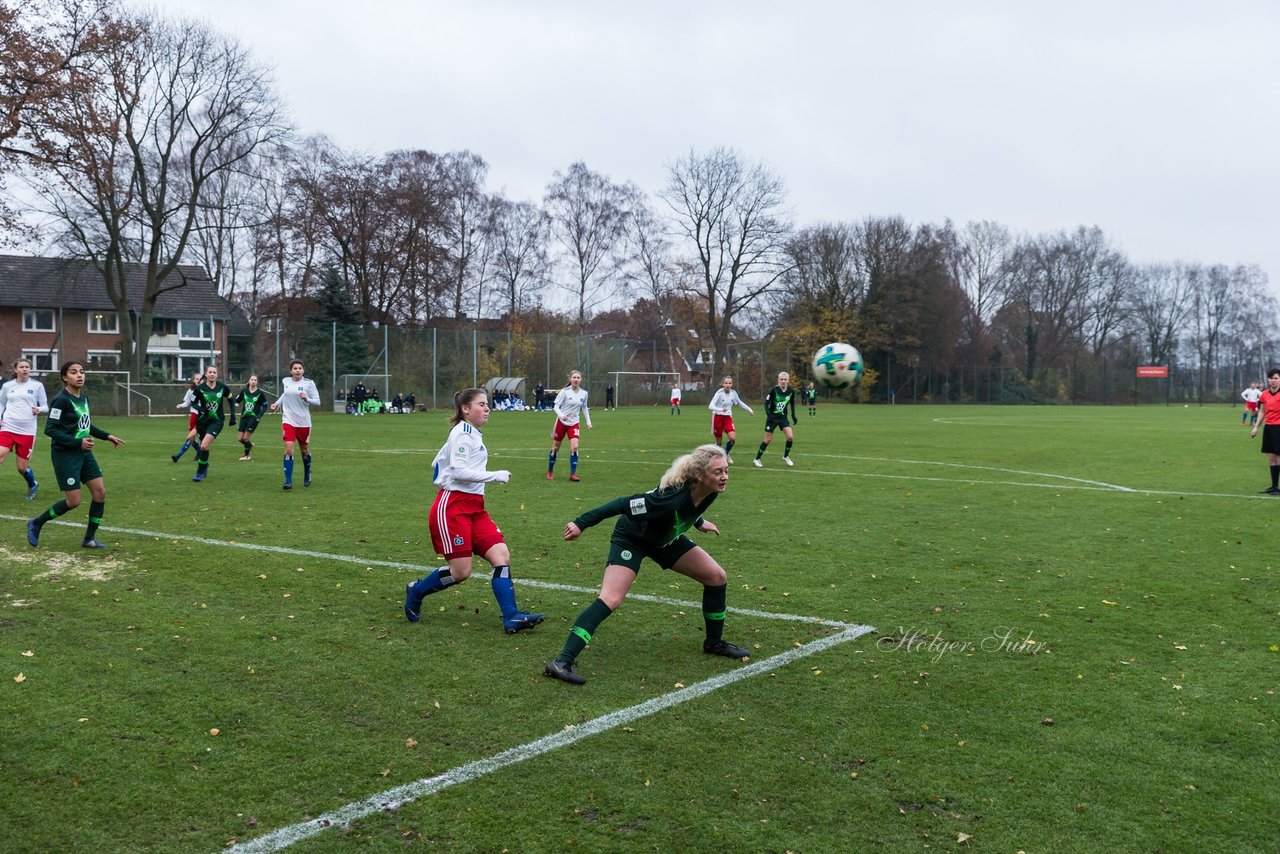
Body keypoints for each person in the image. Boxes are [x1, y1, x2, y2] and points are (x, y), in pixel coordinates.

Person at [543, 444, 749, 685]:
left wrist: (698, 521)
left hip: (666, 539)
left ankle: (714, 643)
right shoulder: (666, 500)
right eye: (717, 472)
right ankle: (561, 662)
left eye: (726, 471)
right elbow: (621, 504)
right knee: (611, 598)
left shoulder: (710, 490)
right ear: (699, 475)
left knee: (716, 576)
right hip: (632, 539)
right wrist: (580, 523)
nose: (724, 477)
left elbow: (689, 507)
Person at [404, 388, 544, 633]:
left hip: (475, 508)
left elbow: (440, 464)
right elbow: (457, 471)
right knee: (461, 572)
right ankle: (416, 591)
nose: (487, 408)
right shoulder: (461, 432)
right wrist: (495, 476)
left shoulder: (473, 434)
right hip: (453, 508)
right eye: (481, 404)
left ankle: (511, 616)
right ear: (465, 409)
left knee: (501, 556)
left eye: (487, 404)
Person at [26, 359, 123, 549]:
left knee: (100, 492)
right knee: (73, 501)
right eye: (73, 372)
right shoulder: (61, 400)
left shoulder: (83, 398)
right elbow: (50, 430)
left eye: (82, 371)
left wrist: (107, 436)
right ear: (64, 377)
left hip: (84, 453)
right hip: (65, 455)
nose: (79, 375)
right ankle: (36, 522)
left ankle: (89, 539)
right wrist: (78, 442)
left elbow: (85, 425)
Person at [0, 358, 49, 500]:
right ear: (16, 370)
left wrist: (39, 409)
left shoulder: (37, 385)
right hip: (8, 427)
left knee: (21, 468)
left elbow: (46, 406)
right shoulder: (7, 386)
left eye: (27, 367)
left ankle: (32, 484)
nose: (25, 369)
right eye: (21, 367)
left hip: (27, 431)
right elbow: (1, 403)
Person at [269, 359, 321, 490]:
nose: (297, 370)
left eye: (300, 368)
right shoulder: (286, 381)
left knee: (304, 450)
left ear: (303, 370)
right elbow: (285, 394)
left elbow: (318, 401)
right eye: (295, 368)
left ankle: (307, 472)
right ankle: (288, 481)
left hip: (303, 422)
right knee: (288, 448)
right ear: (290, 371)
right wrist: (277, 403)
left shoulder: (309, 384)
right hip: (288, 420)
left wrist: (307, 398)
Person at [189, 365, 234, 482]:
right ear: (206, 374)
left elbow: (231, 400)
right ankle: (204, 466)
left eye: (214, 372)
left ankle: (199, 472)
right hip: (202, 422)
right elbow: (193, 403)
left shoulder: (222, 387)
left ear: (217, 374)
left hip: (217, 421)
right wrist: (200, 409)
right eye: (210, 372)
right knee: (205, 447)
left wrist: (233, 416)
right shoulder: (200, 388)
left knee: (203, 445)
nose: (212, 374)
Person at [548, 369, 591, 482]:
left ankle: (573, 474)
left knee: (575, 447)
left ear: (581, 380)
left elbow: (584, 407)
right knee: (555, 448)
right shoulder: (564, 391)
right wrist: (561, 415)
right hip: (561, 423)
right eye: (574, 377)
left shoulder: (584, 393)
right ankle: (550, 471)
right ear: (570, 379)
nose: (576, 379)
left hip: (574, 423)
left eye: (578, 378)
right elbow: (555, 406)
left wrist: (588, 422)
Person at [754, 371, 798, 468]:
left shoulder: (791, 391)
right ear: (778, 380)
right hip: (772, 418)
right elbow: (766, 403)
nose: (783, 381)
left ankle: (786, 456)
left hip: (783, 418)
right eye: (781, 379)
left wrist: (793, 415)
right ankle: (757, 459)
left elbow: (792, 403)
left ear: (788, 381)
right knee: (767, 440)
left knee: (790, 437)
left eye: (785, 379)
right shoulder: (774, 390)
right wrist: (768, 414)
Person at [707, 375, 754, 464]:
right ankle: (712, 455)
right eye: (726, 383)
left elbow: (739, 402)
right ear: (722, 384)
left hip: (728, 418)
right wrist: (721, 409)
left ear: (732, 384)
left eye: (730, 383)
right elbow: (711, 406)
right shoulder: (719, 393)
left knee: (732, 438)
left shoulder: (733, 393)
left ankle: (726, 454)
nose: (728, 385)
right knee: (719, 443)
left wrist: (749, 410)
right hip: (717, 417)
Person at [1251, 369, 1280, 494]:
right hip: (1268, 428)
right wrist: (1256, 427)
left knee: (1279, 458)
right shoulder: (1264, 394)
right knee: (1271, 458)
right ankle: (1274, 487)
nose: (1273, 380)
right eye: (1271, 378)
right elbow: (1262, 411)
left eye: (1276, 378)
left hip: (1279, 428)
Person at [232, 375, 270, 460]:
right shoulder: (244, 391)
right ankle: (250, 445)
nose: (253, 381)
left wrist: (259, 416)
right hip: (244, 417)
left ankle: (247, 455)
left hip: (253, 418)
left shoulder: (260, 393)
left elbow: (265, 406)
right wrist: (236, 403)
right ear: (249, 381)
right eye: (252, 379)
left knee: (245, 438)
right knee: (240, 438)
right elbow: (237, 400)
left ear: (257, 382)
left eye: (255, 380)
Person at [171, 373, 203, 463]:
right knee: (191, 438)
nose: (199, 381)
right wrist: (181, 405)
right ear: (193, 380)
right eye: (197, 379)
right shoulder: (190, 391)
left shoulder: (206, 390)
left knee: (191, 437)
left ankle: (178, 456)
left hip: (202, 417)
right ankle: (200, 452)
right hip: (193, 416)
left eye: (200, 379)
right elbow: (187, 402)